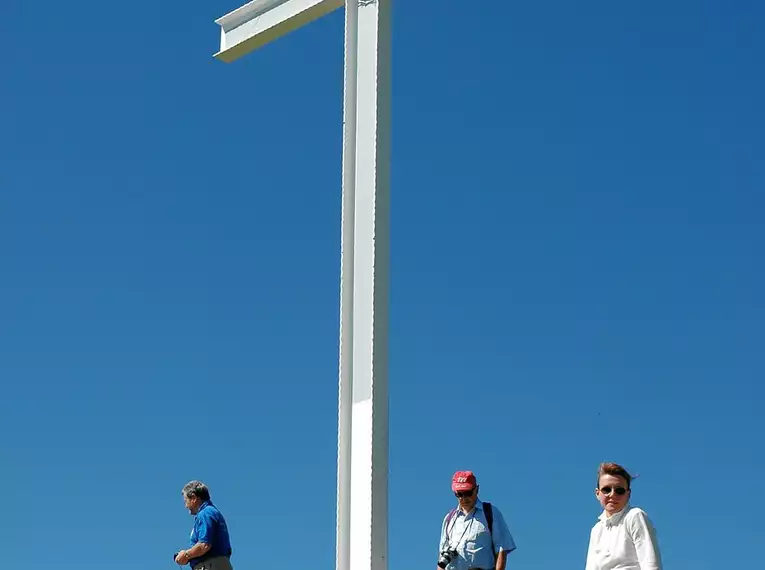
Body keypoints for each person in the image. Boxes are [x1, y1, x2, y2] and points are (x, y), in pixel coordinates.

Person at [585, 462, 662, 570]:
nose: (612, 494)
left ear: (628, 494)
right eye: (606, 489)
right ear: (597, 493)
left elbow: (651, 564)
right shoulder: (596, 530)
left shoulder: (634, 516)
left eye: (619, 491)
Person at [437, 470, 516, 570]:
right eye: (459, 494)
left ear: (477, 489)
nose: (464, 498)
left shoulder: (490, 513)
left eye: (468, 493)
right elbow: (441, 559)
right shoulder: (449, 518)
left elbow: (501, 550)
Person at [174, 480, 234, 570]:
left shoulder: (205, 513)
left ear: (194, 498)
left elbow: (204, 545)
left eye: (185, 501)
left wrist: (186, 555)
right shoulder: (211, 512)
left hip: (209, 565)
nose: (186, 506)